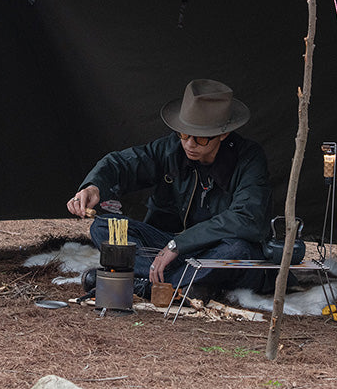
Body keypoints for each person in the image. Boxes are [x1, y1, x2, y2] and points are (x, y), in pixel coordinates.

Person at [67, 79, 272, 300]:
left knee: (237, 252)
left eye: (200, 138)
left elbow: (247, 218)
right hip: (168, 247)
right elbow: (124, 164)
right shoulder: (171, 149)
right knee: (104, 227)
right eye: (184, 134)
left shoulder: (249, 158)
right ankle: (186, 285)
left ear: (223, 134)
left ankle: (142, 285)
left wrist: (180, 244)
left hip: (215, 250)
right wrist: (94, 186)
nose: (189, 144)